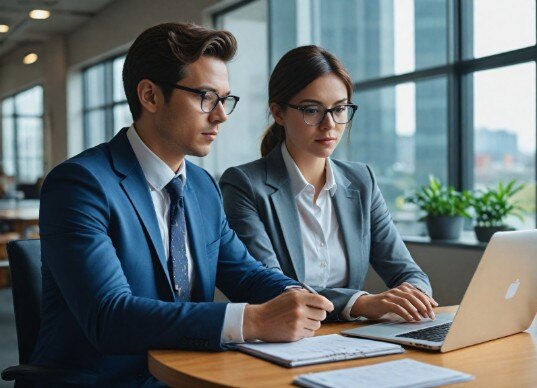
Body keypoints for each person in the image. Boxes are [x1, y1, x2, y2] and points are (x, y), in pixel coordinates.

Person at [32, 23, 333, 386]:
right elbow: (109, 317)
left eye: (225, 100)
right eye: (206, 97)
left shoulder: (203, 187)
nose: (221, 115)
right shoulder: (81, 184)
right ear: (150, 96)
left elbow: (246, 274)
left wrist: (297, 297)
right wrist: (251, 321)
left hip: (192, 375)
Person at [220, 45, 436, 323]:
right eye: (312, 110)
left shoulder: (362, 181)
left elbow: (409, 272)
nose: (329, 124)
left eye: (340, 109)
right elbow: (270, 288)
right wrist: (360, 303)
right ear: (278, 112)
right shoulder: (244, 184)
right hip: (281, 342)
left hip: (350, 340)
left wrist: (413, 295)